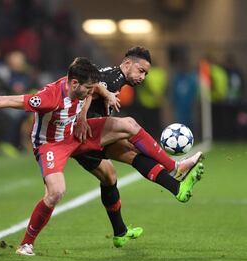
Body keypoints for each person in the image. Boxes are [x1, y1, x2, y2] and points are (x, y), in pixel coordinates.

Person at [0, 57, 204, 256]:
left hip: (77, 134)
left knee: (130, 125)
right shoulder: (48, 98)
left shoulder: (85, 86)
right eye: (86, 89)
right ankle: (26, 244)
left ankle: (175, 167)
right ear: (73, 83)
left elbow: (97, 87)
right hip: (51, 144)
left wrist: (90, 106)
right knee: (56, 192)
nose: (90, 92)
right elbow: (7, 101)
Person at [72, 47, 204, 248]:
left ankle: (121, 232)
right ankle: (175, 168)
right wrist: (88, 111)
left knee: (110, 177)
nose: (143, 77)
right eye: (141, 70)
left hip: (89, 136)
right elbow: (92, 87)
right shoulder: (114, 76)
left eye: (146, 73)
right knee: (130, 129)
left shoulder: (117, 78)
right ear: (127, 64)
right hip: (85, 133)